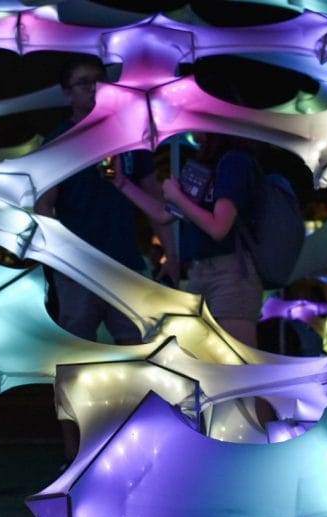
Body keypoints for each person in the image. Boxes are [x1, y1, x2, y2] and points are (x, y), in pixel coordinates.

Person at [34, 54, 175, 466]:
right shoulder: (60, 141)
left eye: (98, 80)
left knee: (137, 355)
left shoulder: (128, 137)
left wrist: (172, 251)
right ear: (66, 93)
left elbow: (154, 198)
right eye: (83, 82)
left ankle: (133, 446)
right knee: (73, 359)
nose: (94, 87)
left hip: (126, 263)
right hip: (78, 268)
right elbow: (44, 205)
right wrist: (59, 258)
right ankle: (73, 452)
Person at [161, 132, 264, 347]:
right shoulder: (207, 165)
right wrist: (122, 183)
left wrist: (177, 196)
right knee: (204, 358)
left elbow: (219, 227)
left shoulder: (235, 162)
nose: (190, 126)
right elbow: (163, 215)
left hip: (231, 273)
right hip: (200, 271)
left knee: (235, 360)